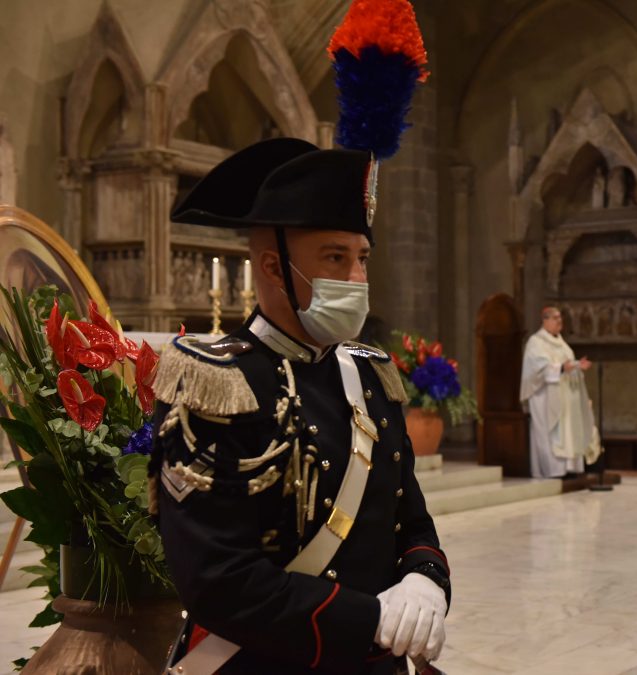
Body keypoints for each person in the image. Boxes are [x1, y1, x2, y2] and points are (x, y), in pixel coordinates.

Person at [149, 3, 450, 673]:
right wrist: (370, 619)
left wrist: (427, 580)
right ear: (271, 266)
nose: (355, 276)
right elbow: (218, 579)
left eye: (361, 257)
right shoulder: (214, 384)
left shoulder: (369, 375)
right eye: (334, 258)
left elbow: (412, 522)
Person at [520, 307, 602, 478]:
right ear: (545, 320)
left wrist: (579, 365)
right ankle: (553, 471)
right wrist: (561, 368)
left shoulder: (563, 344)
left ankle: (569, 469)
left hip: (566, 398)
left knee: (568, 431)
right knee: (550, 433)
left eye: (560, 318)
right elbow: (536, 370)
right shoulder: (536, 343)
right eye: (555, 318)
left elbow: (568, 366)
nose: (559, 321)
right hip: (545, 398)